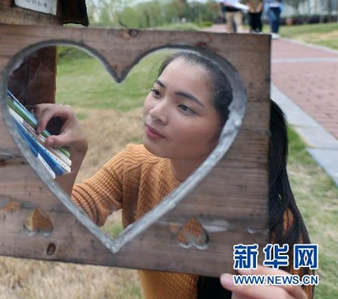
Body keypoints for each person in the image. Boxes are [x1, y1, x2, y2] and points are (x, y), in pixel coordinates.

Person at [34, 51, 313, 299]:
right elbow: (48, 228)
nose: (155, 112)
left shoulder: (278, 231)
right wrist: (67, 161)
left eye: (185, 107)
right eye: (157, 92)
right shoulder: (136, 166)